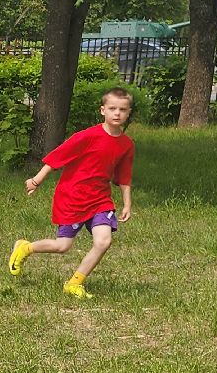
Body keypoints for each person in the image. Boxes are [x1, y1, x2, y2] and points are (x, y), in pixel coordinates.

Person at [9, 87, 135, 299]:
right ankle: (25, 247)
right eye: (112, 108)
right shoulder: (87, 136)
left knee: (103, 241)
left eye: (122, 109)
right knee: (62, 246)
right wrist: (36, 180)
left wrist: (127, 204)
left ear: (128, 112)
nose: (117, 113)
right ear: (102, 110)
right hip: (73, 198)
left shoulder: (127, 145)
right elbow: (59, 156)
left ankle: (75, 282)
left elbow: (124, 176)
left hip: (100, 200)